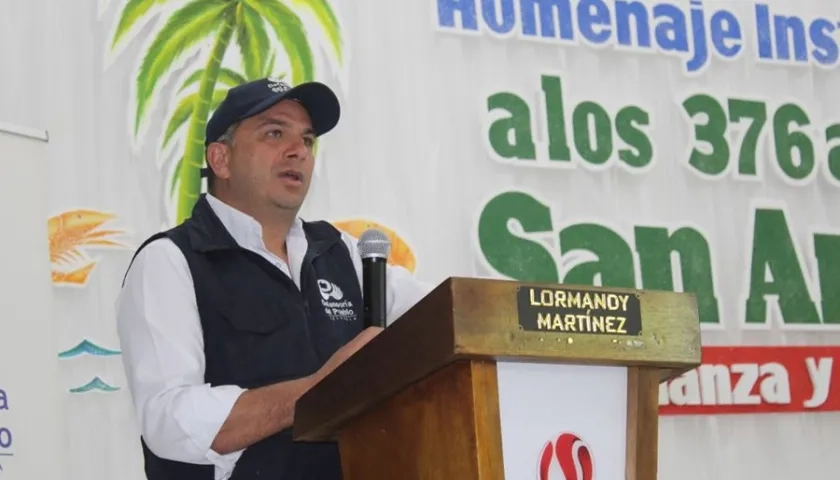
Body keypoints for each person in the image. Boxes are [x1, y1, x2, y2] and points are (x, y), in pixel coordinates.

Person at [115, 77, 432, 480]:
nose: (297, 151)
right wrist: (322, 389)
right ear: (221, 159)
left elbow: (445, 315)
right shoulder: (170, 261)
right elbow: (169, 420)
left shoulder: (343, 253)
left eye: (308, 140)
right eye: (274, 132)